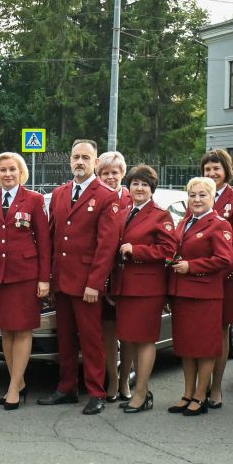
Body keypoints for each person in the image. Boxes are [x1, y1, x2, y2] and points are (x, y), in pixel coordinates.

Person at [42, 139, 125, 415]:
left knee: (91, 340)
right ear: (70, 161)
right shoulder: (60, 193)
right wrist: (52, 278)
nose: (80, 162)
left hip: (87, 283)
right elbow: (53, 237)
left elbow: (107, 246)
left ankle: (96, 392)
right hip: (63, 281)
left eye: (85, 157)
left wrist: (95, 283)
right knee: (65, 337)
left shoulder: (106, 195)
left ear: (95, 162)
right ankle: (66, 388)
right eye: (76, 157)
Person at [0, 151, 51, 409]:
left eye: (12, 169)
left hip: (25, 276)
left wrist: (44, 278)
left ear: (21, 173)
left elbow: (44, 242)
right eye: (3, 170)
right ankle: (17, 383)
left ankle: (13, 388)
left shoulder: (34, 200)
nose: (8, 174)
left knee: (22, 329)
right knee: (5, 330)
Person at [110, 164, 177, 413]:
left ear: (152, 189)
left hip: (147, 288)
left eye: (144, 185)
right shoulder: (125, 211)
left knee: (146, 340)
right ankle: (140, 391)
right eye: (135, 183)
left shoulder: (160, 215)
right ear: (129, 187)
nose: (139, 188)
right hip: (125, 287)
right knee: (130, 339)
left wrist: (136, 251)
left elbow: (169, 250)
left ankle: (141, 393)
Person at [166, 177, 233, 415]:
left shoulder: (219, 224)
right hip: (182, 294)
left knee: (204, 348)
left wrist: (191, 266)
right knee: (186, 347)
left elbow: (225, 260)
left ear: (213, 197)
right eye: (192, 195)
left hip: (205, 295)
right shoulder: (184, 222)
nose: (196, 199)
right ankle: (187, 393)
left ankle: (200, 395)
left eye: (202, 195)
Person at [200, 148, 233, 411]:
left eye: (216, 169)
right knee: (199, 331)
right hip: (198, 278)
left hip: (224, 277)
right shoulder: (197, 195)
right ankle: (199, 386)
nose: (212, 173)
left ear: (226, 171)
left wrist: (212, 269)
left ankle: (216, 387)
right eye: (207, 169)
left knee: (220, 331)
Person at [94, 150, 129, 400]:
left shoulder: (132, 199)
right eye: (105, 173)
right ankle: (113, 381)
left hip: (127, 277)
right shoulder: (95, 199)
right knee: (107, 334)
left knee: (127, 334)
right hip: (102, 278)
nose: (110, 177)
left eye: (114, 173)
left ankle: (126, 380)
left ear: (122, 174)